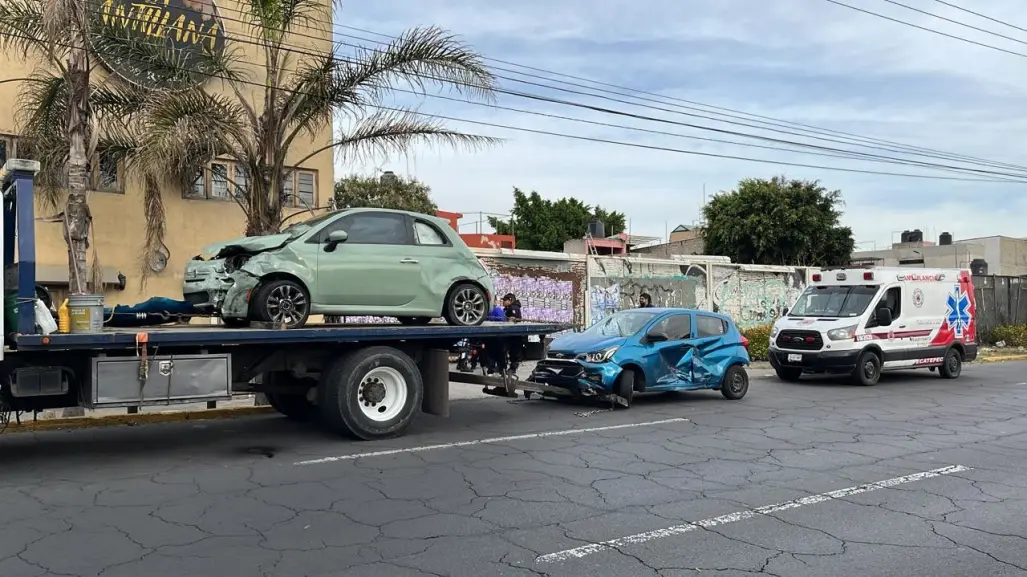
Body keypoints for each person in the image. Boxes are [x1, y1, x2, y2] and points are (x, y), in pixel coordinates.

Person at [501, 293, 524, 375]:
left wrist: (510, 320)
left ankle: (513, 368)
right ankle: (503, 367)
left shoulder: (514, 308)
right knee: (505, 350)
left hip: (514, 334)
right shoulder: (507, 308)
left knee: (514, 352)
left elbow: (514, 320)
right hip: (508, 334)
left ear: (510, 300)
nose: (503, 302)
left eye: (504, 300)